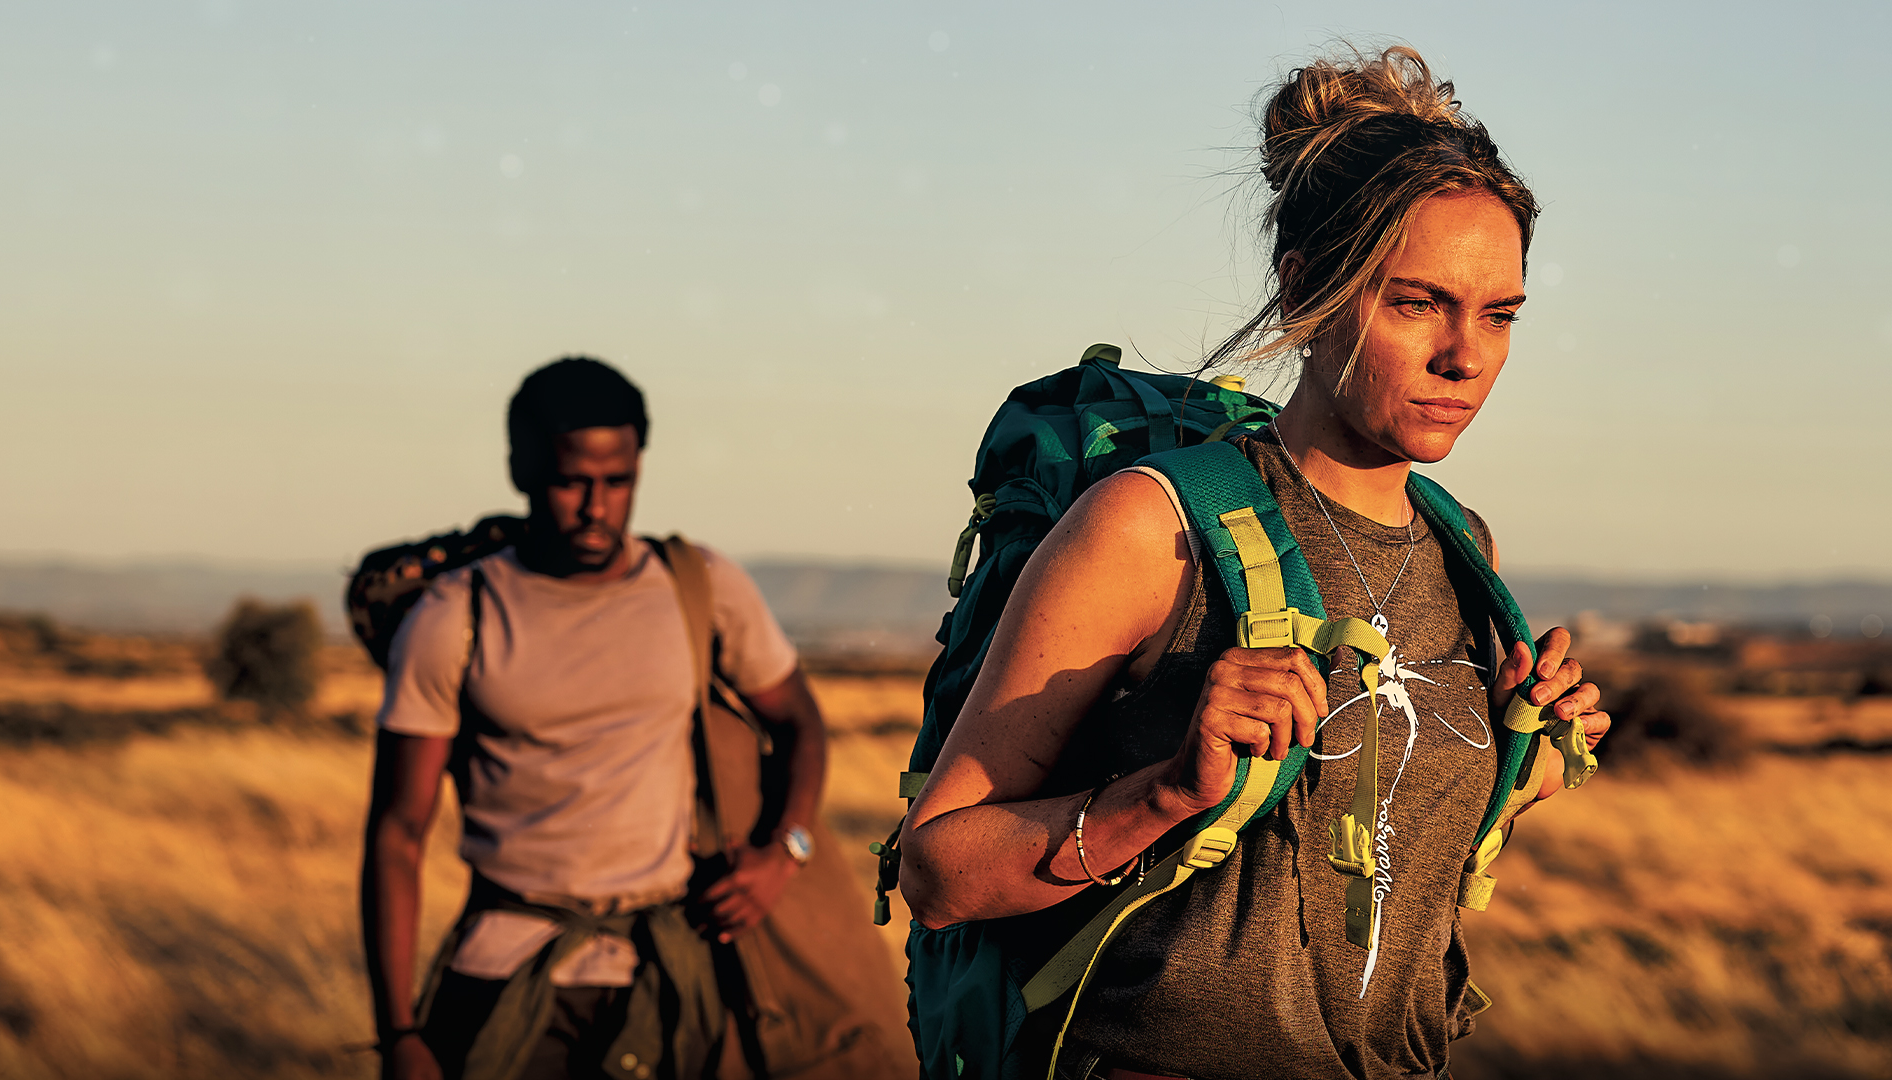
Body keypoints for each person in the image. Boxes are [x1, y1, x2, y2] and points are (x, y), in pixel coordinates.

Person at [897, 46, 1612, 1080]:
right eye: (1417, 303)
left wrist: (1525, 758)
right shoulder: (1154, 525)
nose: (1465, 356)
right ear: (1306, 288)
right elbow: (938, 871)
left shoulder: (1465, 549)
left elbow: (1377, 861)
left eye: (1498, 315)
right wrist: (1164, 792)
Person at [359, 358, 827, 1080]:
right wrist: (398, 1033)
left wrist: (784, 851)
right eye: (571, 482)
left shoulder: (698, 587)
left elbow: (799, 719)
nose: (596, 508)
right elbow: (398, 831)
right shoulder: (457, 614)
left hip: (669, 976)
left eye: (618, 482)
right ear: (521, 470)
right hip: (504, 974)